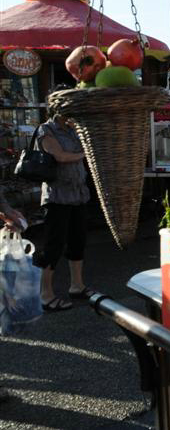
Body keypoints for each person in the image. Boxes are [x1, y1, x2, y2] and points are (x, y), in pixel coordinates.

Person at [32, 85, 93, 312]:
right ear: (56, 105)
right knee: (53, 246)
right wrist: (86, 154)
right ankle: (45, 295)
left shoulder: (74, 128)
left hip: (78, 194)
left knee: (78, 242)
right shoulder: (45, 130)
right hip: (57, 196)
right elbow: (59, 156)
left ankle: (77, 286)